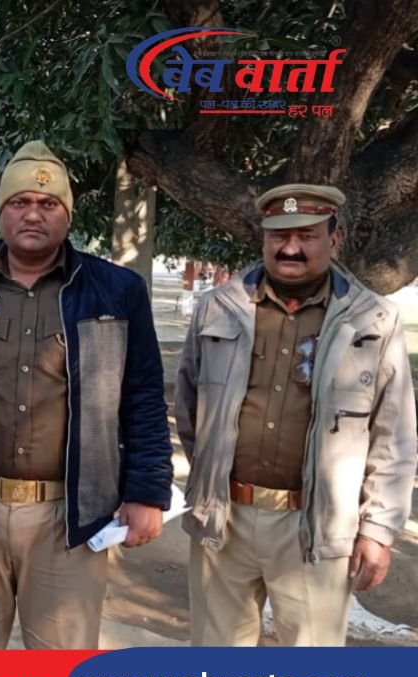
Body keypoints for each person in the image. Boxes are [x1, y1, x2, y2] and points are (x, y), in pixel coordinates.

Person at [0, 140, 173, 649]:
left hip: (70, 516)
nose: (33, 214)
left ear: (67, 215)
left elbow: (142, 396)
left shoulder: (115, 291)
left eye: (49, 204)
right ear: (0, 212)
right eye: (20, 202)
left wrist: (146, 491)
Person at [175, 184, 416, 646]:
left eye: (306, 235)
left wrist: (378, 530)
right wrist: (211, 473)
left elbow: (394, 436)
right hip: (224, 519)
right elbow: (189, 407)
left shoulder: (372, 320)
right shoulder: (218, 308)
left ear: (334, 239)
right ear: (263, 238)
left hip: (314, 526)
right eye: (278, 236)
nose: (290, 248)